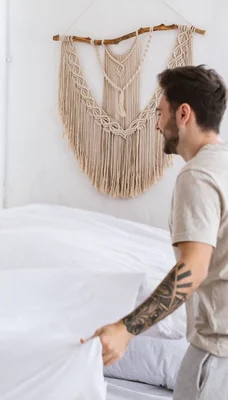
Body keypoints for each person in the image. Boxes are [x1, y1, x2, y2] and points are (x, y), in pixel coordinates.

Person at [82, 65, 228, 399]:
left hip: (217, 360)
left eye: (160, 113)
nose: (157, 123)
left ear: (183, 114)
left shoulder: (199, 176)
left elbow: (193, 268)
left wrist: (125, 329)